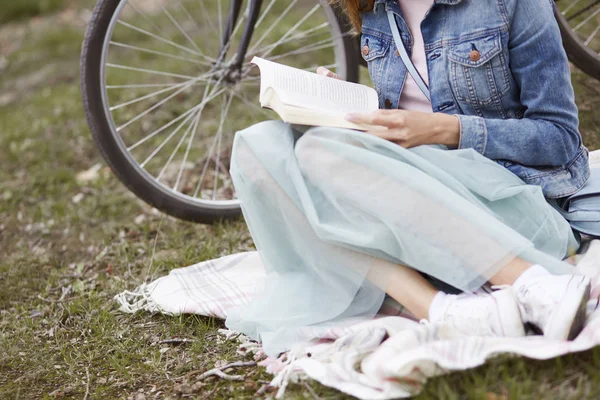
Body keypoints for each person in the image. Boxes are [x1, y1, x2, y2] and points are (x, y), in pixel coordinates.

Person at [224, 0, 593, 356]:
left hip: (510, 206)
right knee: (258, 148)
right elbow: (404, 115)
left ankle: (532, 283)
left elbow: (558, 137)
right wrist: (342, 106)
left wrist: (444, 129)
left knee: (317, 151)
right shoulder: (376, 6)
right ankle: (444, 311)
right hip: (421, 206)